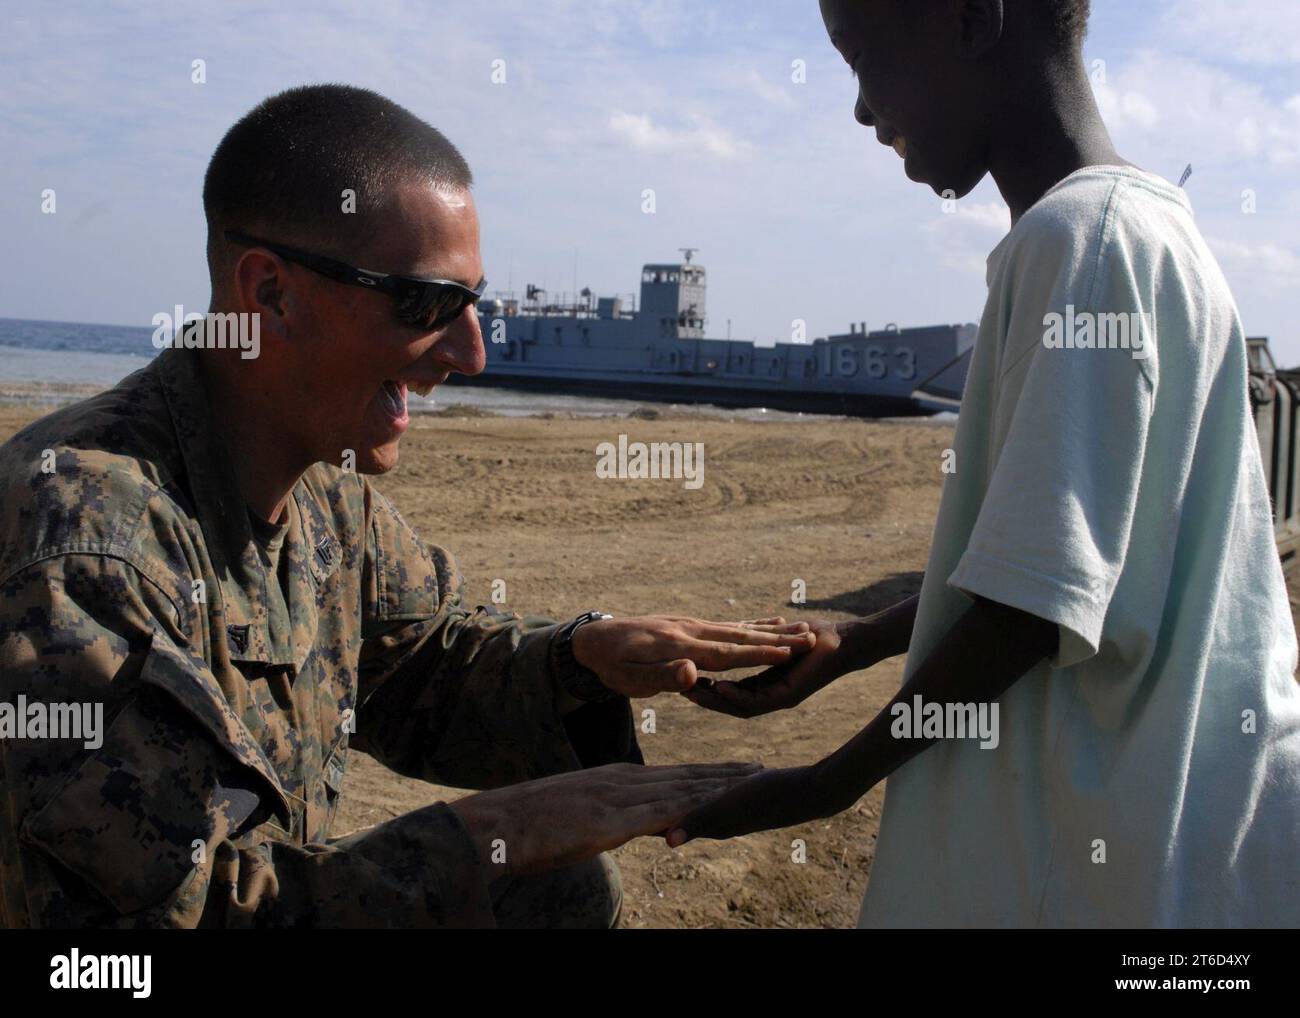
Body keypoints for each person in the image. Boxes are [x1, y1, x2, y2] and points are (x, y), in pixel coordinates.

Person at [0, 84, 816, 929]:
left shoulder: (323, 488)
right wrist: (491, 829)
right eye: (426, 304)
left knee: (559, 890)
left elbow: (420, 665)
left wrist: (578, 662)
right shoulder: (88, 549)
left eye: (475, 303)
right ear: (269, 294)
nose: (472, 353)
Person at [673, 0, 1300, 928]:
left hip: (1122, 869)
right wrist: (850, 647)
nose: (858, 109)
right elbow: (1042, 553)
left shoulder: (1080, 245)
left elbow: (1029, 610)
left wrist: (826, 784)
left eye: (861, 58)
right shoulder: (1146, 228)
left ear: (971, 21)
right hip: (1182, 839)